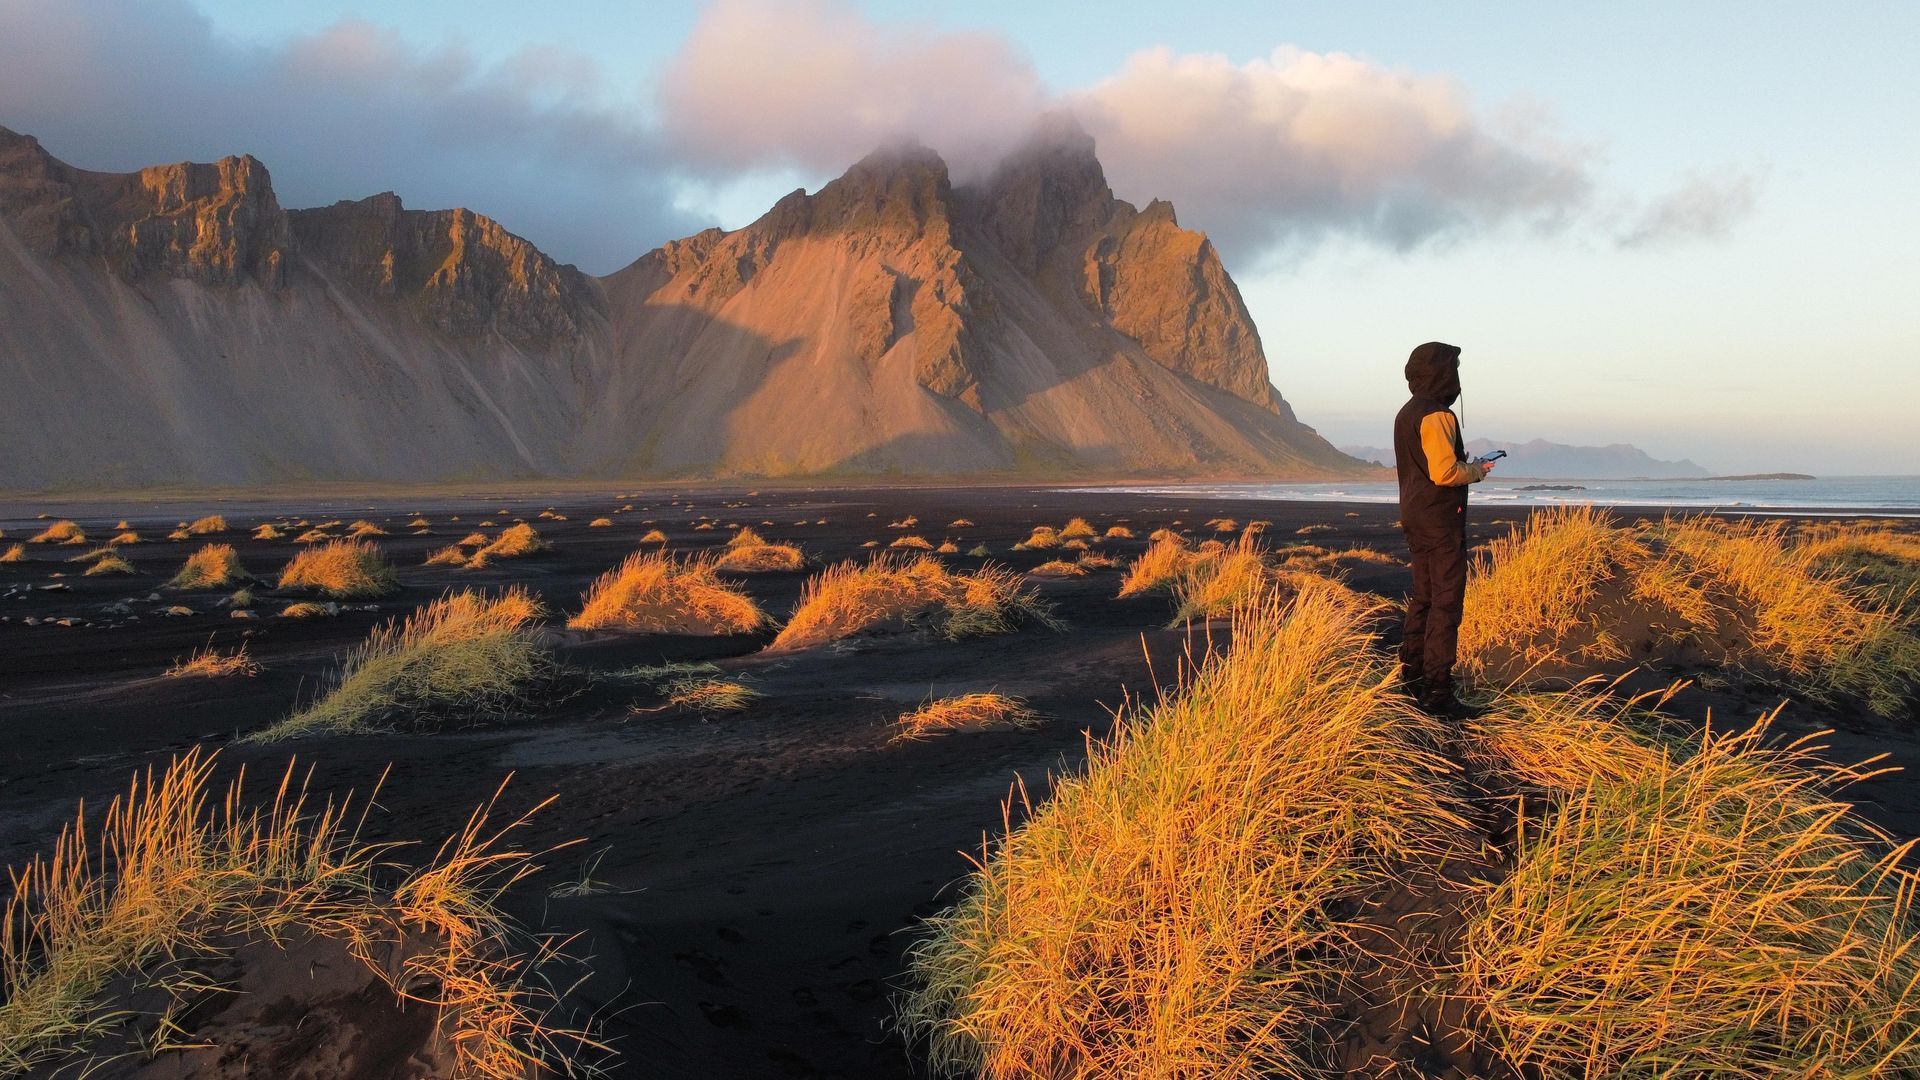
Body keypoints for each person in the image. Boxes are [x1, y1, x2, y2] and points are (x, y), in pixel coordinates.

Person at [1393, 341, 1493, 717]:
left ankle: (1412, 679)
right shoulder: (1437, 415)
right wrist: (1477, 470)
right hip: (1440, 521)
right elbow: (1444, 472)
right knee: (1446, 603)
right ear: (1443, 373)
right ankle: (1437, 692)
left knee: (1424, 598)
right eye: (1453, 370)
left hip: (1415, 515)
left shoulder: (1406, 413)